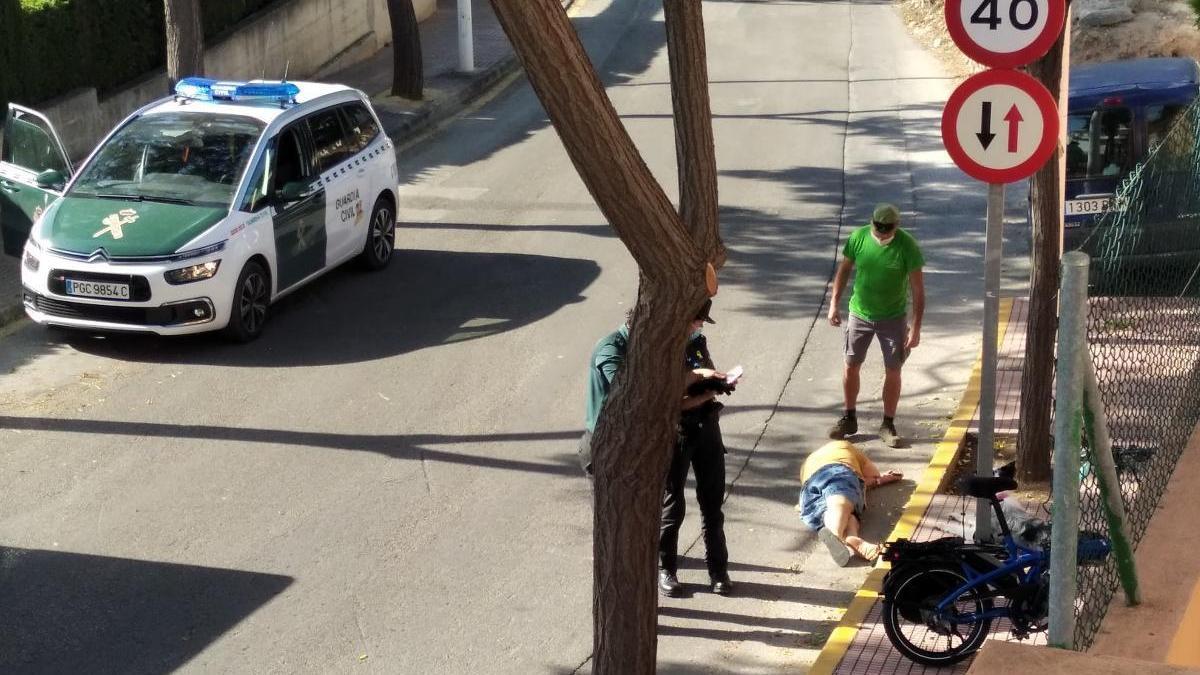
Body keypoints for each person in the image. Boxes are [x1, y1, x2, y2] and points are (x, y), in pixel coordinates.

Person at [827, 203, 925, 447]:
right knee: (851, 365)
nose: (881, 233)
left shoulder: (907, 246)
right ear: (871, 223)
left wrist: (916, 327)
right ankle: (849, 417)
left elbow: (918, 289)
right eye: (878, 228)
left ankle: (888, 423)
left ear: (896, 226)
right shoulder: (858, 238)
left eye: (887, 229)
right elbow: (844, 270)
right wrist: (834, 303)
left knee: (893, 370)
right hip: (859, 314)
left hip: (893, 318)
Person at [659, 299, 735, 597]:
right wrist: (702, 389)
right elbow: (671, 399)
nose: (700, 325)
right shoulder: (666, 348)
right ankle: (666, 569)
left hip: (707, 429)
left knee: (712, 504)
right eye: (697, 320)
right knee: (672, 504)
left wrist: (718, 383)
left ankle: (718, 571)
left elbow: (706, 373)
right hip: (679, 431)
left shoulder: (698, 342)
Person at [798, 440, 903, 566]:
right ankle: (836, 535)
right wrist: (881, 479)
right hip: (837, 470)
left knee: (841, 513)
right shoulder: (848, 448)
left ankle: (852, 539)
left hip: (806, 491)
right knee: (840, 503)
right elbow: (872, 475)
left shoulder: (809, 461)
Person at [579, 312, 632, 477]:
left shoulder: (629, 346)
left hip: (620, 439)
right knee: (606, 502)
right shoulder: (611, 349)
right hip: (603, 441)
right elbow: (626, 390)